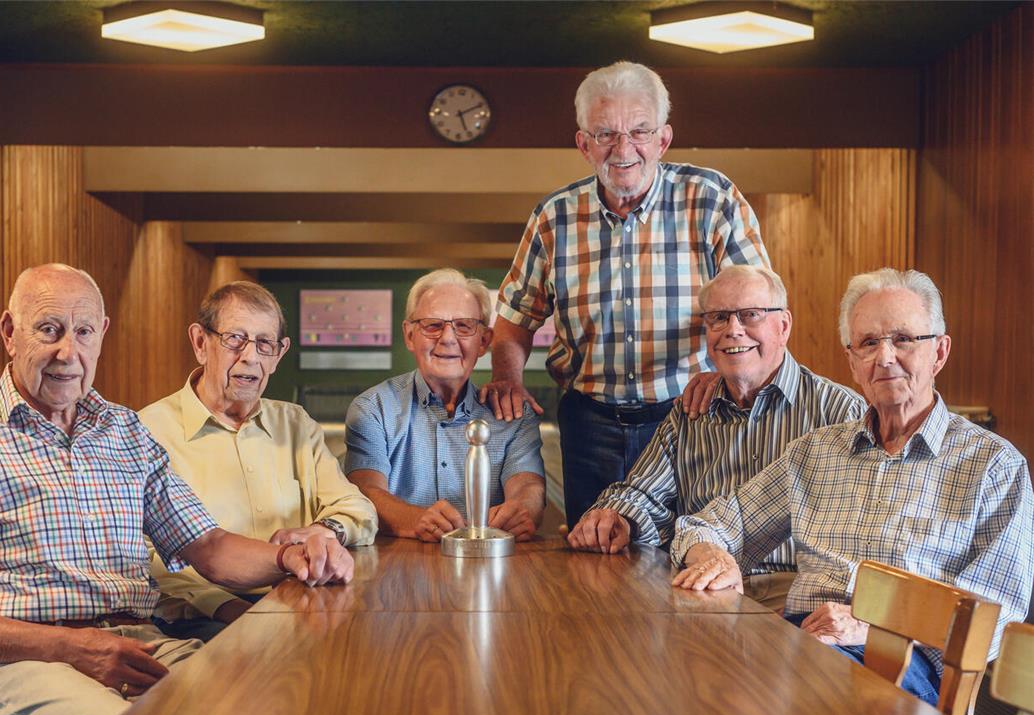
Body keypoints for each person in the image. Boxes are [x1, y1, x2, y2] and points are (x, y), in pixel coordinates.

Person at [0, 264, 353, 715]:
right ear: (10, 332)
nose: (68, 352)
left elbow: (210, 548)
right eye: (49, 330)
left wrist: (291, 557)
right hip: (16, 665)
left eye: (84, 332)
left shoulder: (125, 431)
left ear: (102, 335)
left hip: (139, 644)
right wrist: (74, 648)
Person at [670, 268, 1033, 702]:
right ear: (852, 362)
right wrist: (713, 555)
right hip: (800, 644)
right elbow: (708, 525)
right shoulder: (814, 453)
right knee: (684, 676)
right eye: (868, 343)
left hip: (903, 667)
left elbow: (994, 617)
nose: (885, 357)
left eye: (903, 339)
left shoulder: (993, 466)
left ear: (939, 352)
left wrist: (876, 627)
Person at [481, 60, 771, 527]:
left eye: (639, 131)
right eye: (605, 134)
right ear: (583, 144)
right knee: (592, 551)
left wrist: (728, 375)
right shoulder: (554, 218)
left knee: (693, 546)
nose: (623, 149)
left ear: (663, 139)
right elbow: (515, 319)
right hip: (590, 424)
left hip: (692, 415)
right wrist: (507, 380)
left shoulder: (712, 200)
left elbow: (759, 309)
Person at [568, 266, 865, 610]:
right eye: (719, 318)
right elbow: (642, 492)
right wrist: (616, 516)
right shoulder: (692, 411)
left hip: (799, 598)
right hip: (702, 590)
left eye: (750, 315)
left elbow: (862, 534)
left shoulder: (840, 412)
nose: (733, 330)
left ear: (783, 326)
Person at [139, 281, 378, 641]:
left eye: (264, 343)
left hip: (301, 600)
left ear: (279, 354)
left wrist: (324, 530)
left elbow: (359, 509)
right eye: (235, 339)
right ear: (201, 343)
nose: (250, 357)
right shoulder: (146, 431)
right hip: (200, 618)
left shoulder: (296, 424)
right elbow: (145, 561)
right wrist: (230, 609)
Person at [345, 268, 545, 542]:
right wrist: (415, 519)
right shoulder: (373, 409)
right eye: (433, 325)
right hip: (399, 564)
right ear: (409, 335)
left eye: (464, 326)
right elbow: (365, 491)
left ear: (484, 341)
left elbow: (529, 487)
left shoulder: (514, 415)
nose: (448, 338)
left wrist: (523, 509)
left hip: (487, 563)